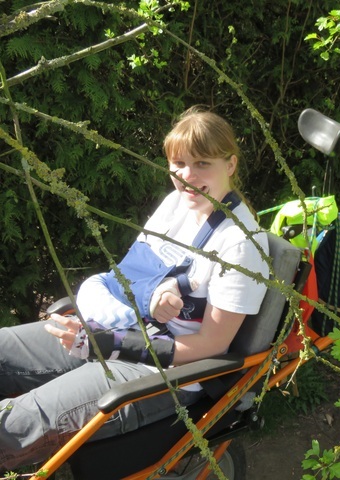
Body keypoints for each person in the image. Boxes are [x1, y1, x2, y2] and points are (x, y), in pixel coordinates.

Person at [0, 107, 270, 471]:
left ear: (231, 164)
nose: (187, 177)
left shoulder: (241, 245)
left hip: (160, 370)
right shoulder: (177, 204)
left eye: (203, 163)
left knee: (11, 425)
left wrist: (108, 344)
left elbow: (211, 346)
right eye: (178, 163)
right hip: (120, 327)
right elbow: (132, 277)